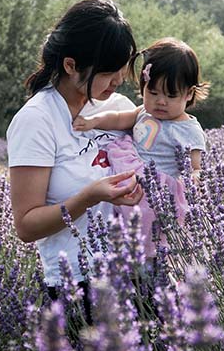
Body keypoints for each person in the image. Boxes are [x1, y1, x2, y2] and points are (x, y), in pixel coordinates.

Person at [7, 0, 144, 307]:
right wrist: (89, 197)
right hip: (77, 285)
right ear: (71, 65)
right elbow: (27, 226)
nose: (119, 80)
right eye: (109, 72)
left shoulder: (117, 108)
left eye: (122, 68)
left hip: (135, 269)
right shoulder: (37, 120)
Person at [72, 37, 210, 256]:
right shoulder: (144, 112)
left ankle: (146, 259)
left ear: (189, 93)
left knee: (149, 235)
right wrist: (94, 121)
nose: (160, 101)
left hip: (157, 191)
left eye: (170, 95)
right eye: (152, 93)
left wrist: (195, 179)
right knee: (111, 217)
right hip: (128, 171)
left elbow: (196, 166)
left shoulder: (189, 130)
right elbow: (118, 118)